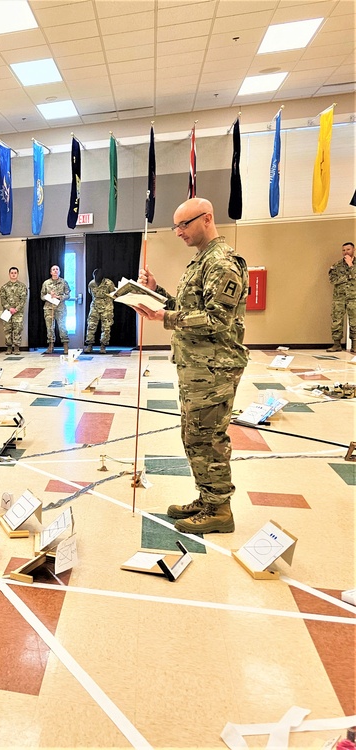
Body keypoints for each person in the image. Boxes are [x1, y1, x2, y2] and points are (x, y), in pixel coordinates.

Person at [132, 197, 248, 534]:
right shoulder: (201, 261)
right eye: (176, 226)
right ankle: (207, 497)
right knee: (195, 436)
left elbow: (217, 319)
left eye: (184, 224)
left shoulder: (222, 263)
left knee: (208, 438)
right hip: (197, 366)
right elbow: (189, 306)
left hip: (214, 368)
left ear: (207, 219)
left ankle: (219, 510)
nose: (179, 232)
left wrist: (163, 316)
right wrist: (158, 294)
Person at [327, 242, 356, 353]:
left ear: (353, 250)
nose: (345, 252)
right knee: (336, 320)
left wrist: (351, 266)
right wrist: (350, 276)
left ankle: (354, 345)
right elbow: (333, 280)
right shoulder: (336, 265)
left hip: (354, 297)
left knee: (355, 321)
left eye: (348, 249)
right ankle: (336, 344)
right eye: (343, 250)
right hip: (339, 298)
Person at [83, 268, 116, 354]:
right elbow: (91, 293)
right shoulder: (91, 284)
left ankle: (103, 346)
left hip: (107, 307)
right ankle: (89, 345)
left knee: (106, 327)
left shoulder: (109, 283)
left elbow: (113, 294)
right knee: (91, 326)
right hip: (95, 307)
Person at [40, 265, 71, 354]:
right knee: (50, 328)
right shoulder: (46, 283)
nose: (55, 271)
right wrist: (49, 296)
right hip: (49, 308)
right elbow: (42, 296)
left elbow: (68, 295)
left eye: (57, 269)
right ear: (51, 272)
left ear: (59, 272)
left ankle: (65, 346)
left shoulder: (64, 282)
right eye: (53, 270)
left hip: (60, 308)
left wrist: (59, 297)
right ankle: (50, 346)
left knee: (62, 327)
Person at [0, 266, 27, 354]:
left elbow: (23, 299)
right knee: (7, 329)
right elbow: (3, 299)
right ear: (9, 274)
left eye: (15, 273)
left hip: (18, 312)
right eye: (12, 273)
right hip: (7, 312)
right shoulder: (4, 287)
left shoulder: (22, 286)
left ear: (17, 274)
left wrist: (16, 309)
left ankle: (16, 347)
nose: (13, 274)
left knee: (17, 329)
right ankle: (9, 347)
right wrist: (9, 308)